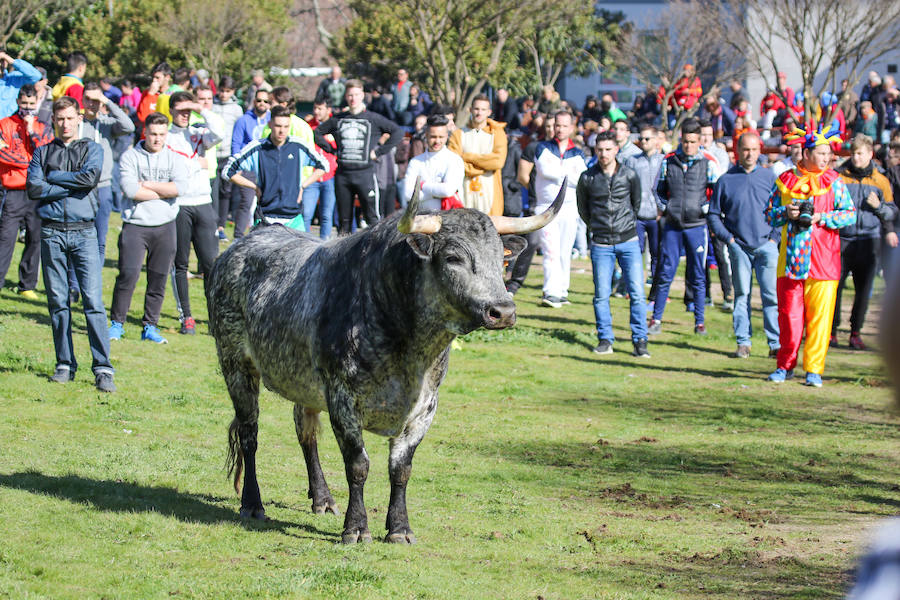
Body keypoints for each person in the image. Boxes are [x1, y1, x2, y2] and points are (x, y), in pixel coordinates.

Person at [26, 96, 115, 391]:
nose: (65, 123)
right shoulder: (42, 152)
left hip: (84, 233)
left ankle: (103, 369)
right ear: (53, 120)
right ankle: (64, 363)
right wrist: (68, 184)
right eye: (59, 118)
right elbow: (35, 187)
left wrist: (56, 177)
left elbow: (89, 179)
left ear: (79, 118)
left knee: (93, 302)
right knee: (58, 303)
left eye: (69, 118)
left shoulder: (93, 148)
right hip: (51, 233)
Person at [765, 122, 856, 387]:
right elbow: (769, 214)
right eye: (822, 153)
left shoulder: (835, 182)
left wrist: (821, 217)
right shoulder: (785, 180)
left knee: (820, 320)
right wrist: (786, 213)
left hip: (824, 261)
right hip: (792, 262)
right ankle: (785, 365)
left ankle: (814, 370)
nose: (827, 158)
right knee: (790, 318)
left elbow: (848, 213)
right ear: (806, 153)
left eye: (829, 153)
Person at [109, 112, 188, 345]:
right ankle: (116, 324)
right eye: (153, 134)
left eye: (162, 134)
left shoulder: (174, 159)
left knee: (158, 278)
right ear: (145, 132)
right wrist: (163, 190)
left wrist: (149, 186)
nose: (157, 139)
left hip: (165, 226)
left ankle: (150, 326)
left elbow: (180, 188)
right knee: (128, 275)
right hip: (135, 226)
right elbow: (131, 190)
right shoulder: (130, 156)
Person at [707, 132, 780, 358]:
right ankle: (743, 342)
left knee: (771, 296)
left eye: (754, 149)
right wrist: (729, 240)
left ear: (760, 151)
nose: (749, 154)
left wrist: (774, 238)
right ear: (737, 151)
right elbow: (713, 215)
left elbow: (781, 210)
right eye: (745, 149)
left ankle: (775, 343)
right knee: (742, 295)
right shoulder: (726, 180)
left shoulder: (771, 179)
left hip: (766, 246)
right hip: (739, 247)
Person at [576, 130, 649, 357]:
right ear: (595, 150)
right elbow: (583, 209)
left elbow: (635, 203)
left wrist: (624, 225)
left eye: (608, 149)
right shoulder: (587, 178)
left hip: (628, 240)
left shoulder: (629, 174)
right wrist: (597, 228)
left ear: (616, 149)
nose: (604, 154)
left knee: (637, 293)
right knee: (601, 294)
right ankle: (605, 339)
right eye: (600, 150)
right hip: (601, 243)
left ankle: (640, 340)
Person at [649, 118, 719, 335]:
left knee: (698, 275)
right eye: (685, 141)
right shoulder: (668, 161)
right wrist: (666, 207)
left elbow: (716, 193)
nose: (689, 145)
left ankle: (699, 321)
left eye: (693, 141)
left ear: (700, 141)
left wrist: (705, 209)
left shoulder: (708, 162)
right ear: (681, 140)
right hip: (672, 225)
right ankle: (656, 319)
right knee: (665, 272)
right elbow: (658, 189)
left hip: (697, 226)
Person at [832, 134, 897, 350]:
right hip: (842, 239)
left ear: (870, 154)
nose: (856, 158)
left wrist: (878, 207)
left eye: (860, 153)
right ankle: (831, 332)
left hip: (869, 241)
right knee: (835, 289)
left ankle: (855, 333)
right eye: (853, 153)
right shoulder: (839, 177)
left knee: (863, 290)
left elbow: (892, 212)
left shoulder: (880, 180)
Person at [167, 90, 224, 335]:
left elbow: (220, 131)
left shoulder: (199, 133)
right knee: (180, 263)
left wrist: (200, 108)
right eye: (180, 110)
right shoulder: (166, 136)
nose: (185, 115)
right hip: (178, 204)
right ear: (170, 111)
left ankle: (214, 317)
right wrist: (196, 164)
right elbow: (172, 166)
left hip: (203, 203)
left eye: (188, 110)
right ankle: (186, 317)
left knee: (211, 264)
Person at [313, 80, 402, 234]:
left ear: (362, 95)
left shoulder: (373, 118)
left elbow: (397, 132)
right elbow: (317, 133)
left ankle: (375, 255)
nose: (353, 98)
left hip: (365, 175)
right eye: (350, 95)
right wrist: (333, 150)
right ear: (346, 97)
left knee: (373, 219)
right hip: (343, 176)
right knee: (343, 221)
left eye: (356, 95)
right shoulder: (338, 118)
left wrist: (378, 152)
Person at [225, 104, 326, 226]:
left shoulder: (298, 146)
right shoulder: (257, 148)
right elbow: (228, 171)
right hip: (266, 217)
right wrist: (254, 187)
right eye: (278, 125)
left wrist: (303, 186)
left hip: (293, 219)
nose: (282, 130)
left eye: (286, 126)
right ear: (270, 124)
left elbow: (323, 166)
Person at [0, 84, 53, 299]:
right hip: (12, 190)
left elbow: (46, 154)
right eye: (24, 103)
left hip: (37, 191)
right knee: (5, 238)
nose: (28, 108)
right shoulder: (4, 124)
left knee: (35, 238)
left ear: (37, 103)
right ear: (17, 102)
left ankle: (27, 284)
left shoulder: (43, 126)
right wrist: (29, 162)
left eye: (31, 104)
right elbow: (3, 154)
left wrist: (31, 131)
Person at [532, 110, 588, 307]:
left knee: (565, 250)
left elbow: (580, 178)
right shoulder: (542, 148)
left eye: (565, 125)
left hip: (569, 209)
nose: (560, 129)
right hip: (546, 209)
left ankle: (562, 290)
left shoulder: (578, 153)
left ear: (571, 128)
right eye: (557, 125)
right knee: (550, 251)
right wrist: (567, 173)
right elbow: (545, 170)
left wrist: (561, 174)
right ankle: (550, 291)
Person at [507, 114, 554, 295]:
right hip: (537, 205)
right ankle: (514, 283)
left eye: (554, 126)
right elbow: (522, 176)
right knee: (531, 242)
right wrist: (538, 191)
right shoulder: (534, 147)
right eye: (548, 126)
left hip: (563, 207)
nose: (551, 129)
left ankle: (554, 290)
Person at [624, 125, 664, 305]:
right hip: (637, 216)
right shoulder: (632, 161)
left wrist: (662, 209)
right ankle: (633, 289)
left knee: (657, 255)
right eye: (642, 138)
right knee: (634, 253)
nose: (644, 142)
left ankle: (655, 295)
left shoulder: (664, 161)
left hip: (656, 216)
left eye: (647, 138)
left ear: (656, 140)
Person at [448, 94, 507, 215]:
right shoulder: (458, 134)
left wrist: (468, 157)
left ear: (489, 112)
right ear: (470, 110)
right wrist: (484, 166)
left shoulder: (498, 134)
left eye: (483, 109)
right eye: (476, 109)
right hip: (464, 193)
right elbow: (454, 164)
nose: (479, 113)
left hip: (490, 195)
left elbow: (497, 161)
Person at [230, 88, 271, 238]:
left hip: (266, 167)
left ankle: (259, 235)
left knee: (264, 203)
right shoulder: (243, 120)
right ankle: (238, 237)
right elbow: (236, 143)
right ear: (254, 102)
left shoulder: (273, 121)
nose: (262, 103)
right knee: (246, 202)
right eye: (259, 100)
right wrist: (237, 166)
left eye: (265, 101)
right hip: (248, 168)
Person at [401, 114, 464, 211]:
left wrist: (422, 185)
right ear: (426, 135)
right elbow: (407, 194)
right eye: (433, 137)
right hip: (421, 219)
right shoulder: (415, 162)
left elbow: (448, 191)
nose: (437, 141)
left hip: (450, 220)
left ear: (447, 136)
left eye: (441, 137)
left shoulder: (455, 160)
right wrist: (437, 193)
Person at [210, 76, 243, 241]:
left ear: (233, 92)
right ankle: (213, 224)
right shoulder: (212, 105)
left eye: (228, 91)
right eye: (222, 90)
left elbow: (238, 133)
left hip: (228, 155)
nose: (224, 94)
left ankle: (221, 225)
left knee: (225, 192)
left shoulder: (236, 109)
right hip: (212, 153)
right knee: (212, 191)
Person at [304, 99, 338, 239]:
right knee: (306, 213)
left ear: (328, 110)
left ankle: (324, 246)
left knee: (326, 215)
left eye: (320, 109)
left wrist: (331, 140)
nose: (316, 112)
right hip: (312, 176)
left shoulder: (336, 125)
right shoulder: (308, 126)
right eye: (315, 108)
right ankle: (303, 243)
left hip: (330, 176)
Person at [0, 49, 41, 119]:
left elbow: (36, 76)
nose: (0, 64)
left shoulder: (15, 78)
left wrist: (10, 60)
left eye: (2, 60)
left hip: (10, 126)